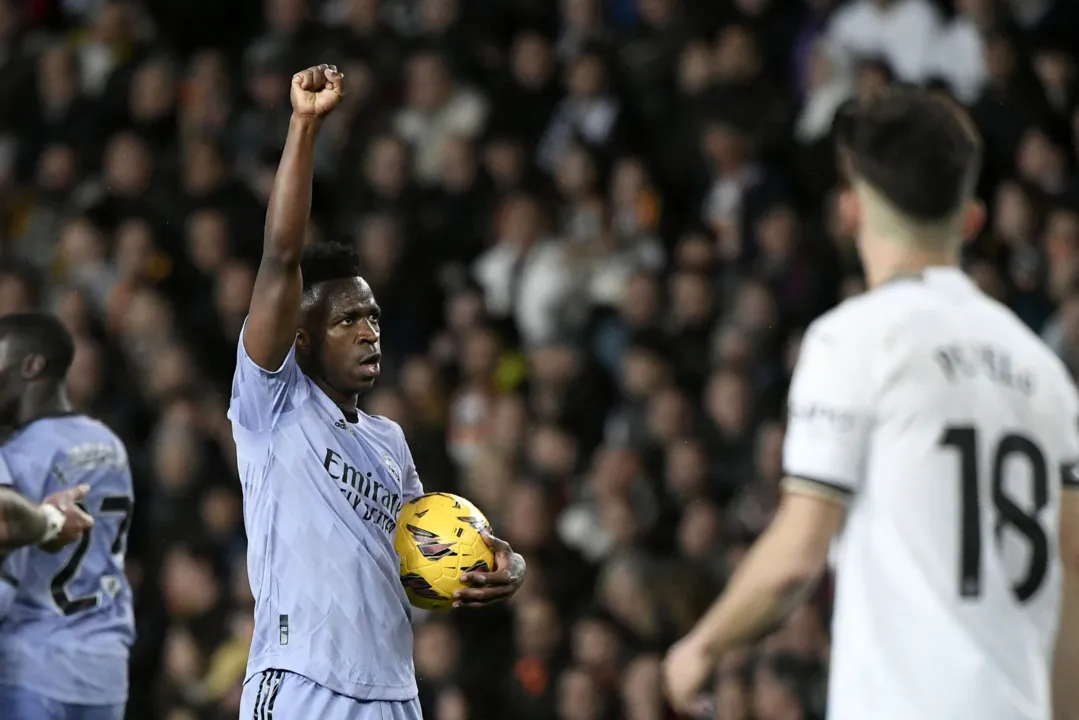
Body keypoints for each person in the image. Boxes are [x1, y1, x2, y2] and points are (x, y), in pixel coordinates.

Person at [663, 87, 1079, 720]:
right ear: (971, 219)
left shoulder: (853, 339)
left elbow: (799, 555)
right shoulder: (1042, 369)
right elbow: (1071, 575)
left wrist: (702, 644)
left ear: (849, 211)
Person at [231, 64, 526, 719]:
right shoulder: (269, 403)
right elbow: (281, 257)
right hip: (301, 681)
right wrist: (304, 126)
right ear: (301, 338)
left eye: (372, 318)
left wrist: (502, 567)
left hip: (392, 694)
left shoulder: (389, 442)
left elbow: (425, 561)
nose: (368, 332)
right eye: (346, 320)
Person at [0, 312, 135, 720]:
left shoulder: (18, 455)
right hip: (105, 669)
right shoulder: (108, 442)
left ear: (31, 364)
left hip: (34, 667)